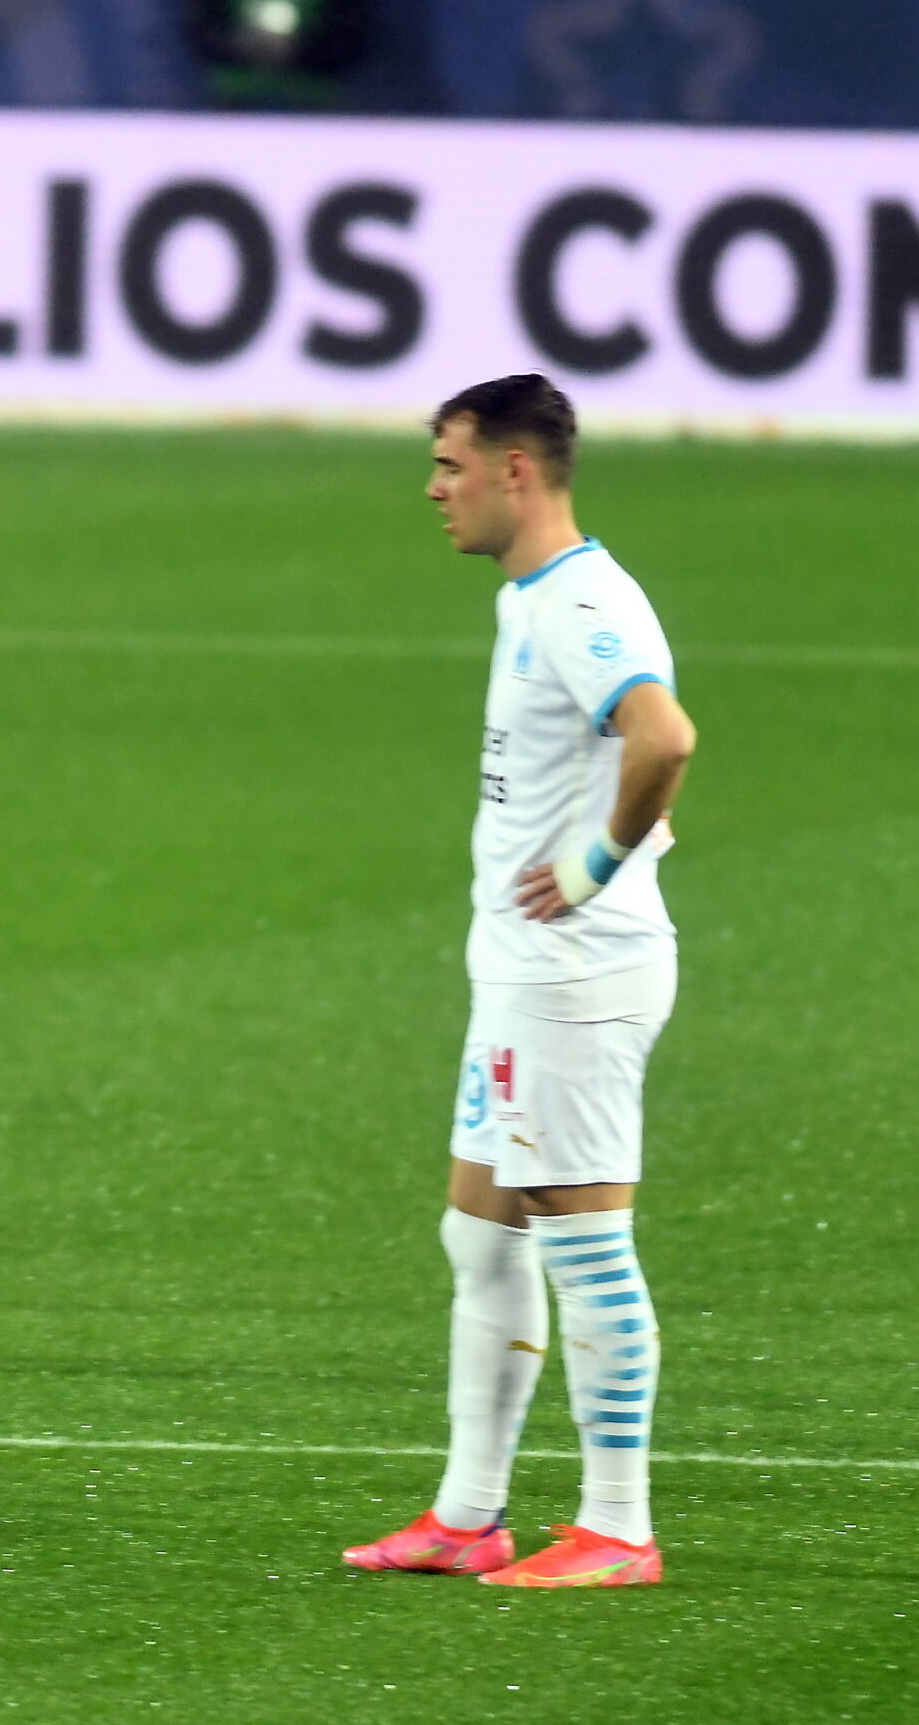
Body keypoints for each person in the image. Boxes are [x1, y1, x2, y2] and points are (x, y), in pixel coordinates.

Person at [345, 374, 695, 1588]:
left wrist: (593, 863)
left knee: (586, 1244)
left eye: (448, 464)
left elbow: (664, 734)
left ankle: (617, 1524)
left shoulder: (581, 603)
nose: (434, 489)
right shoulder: (530, 597)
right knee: (480, 1231)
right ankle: (468, 1513)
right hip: (520, 974)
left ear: (515, 470)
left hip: (576, 977)